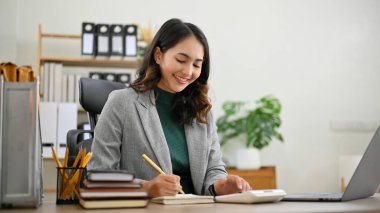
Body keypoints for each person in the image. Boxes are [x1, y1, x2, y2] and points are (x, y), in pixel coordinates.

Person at [87, 18, 251, 198]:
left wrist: (221, 185)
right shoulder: (122, 102)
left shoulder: (202, 110)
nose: (188, 72)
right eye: (181, 60)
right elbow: (99, 174)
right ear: (158, 55)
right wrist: (146, 188)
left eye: (196, 64)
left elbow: (213, 169)